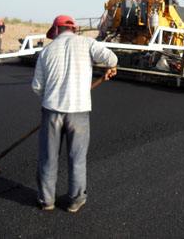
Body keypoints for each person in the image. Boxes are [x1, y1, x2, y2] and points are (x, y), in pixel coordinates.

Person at [31, 15, 118, 213]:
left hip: (52, 112)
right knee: (77, 158)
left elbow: (37, 87)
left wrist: (51, 99)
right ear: (74, 29)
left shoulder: (46, 51)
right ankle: (75, 200)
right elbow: (112, 58)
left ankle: (47, 200)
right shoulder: (87, 43)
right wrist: (110, 67)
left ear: (55, 31)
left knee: (48, 158)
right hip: (79, 112)